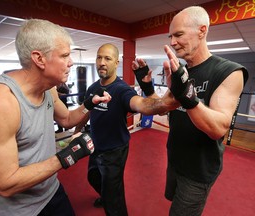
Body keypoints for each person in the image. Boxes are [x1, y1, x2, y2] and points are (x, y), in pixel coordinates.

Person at [0, 19, 111, 216]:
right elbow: (4, 184)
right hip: (15, 211)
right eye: (64, 55)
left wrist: (89, 104)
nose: (71, 62)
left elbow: (67, 119)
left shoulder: (48, 89)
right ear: (39, 58)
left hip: (50, 191)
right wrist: (69, 154)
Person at [141, 6, 248, 216]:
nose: (172, 42)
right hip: (175, 158)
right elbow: (164, 109)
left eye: (178, 34)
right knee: (172, 200)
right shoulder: (181, 72)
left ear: (202, 30)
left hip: (198, 170)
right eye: (170, 36)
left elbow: (218, 128)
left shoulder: (229, 71)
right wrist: (147, 87)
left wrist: (188, 97)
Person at [74, 43, 179, 216]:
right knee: (93, 177)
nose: (102, 62)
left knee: (113, 196)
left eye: (107, 58)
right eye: (99, 57)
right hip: (96, 144)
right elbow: (86, 111)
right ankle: (105, 195)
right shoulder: (93, 88)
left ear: (116, 63)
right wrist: (76, 131)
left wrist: (163, 103)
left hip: (115, 150)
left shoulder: (122, 90)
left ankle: (110, 200)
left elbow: (141, 105)